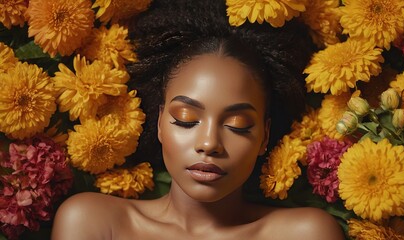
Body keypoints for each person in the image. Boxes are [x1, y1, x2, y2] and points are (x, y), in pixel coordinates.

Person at [52, 0, 345, 239]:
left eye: (237, 125)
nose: (209, 143)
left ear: (264, 137)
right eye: (186, 119)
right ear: (159, 123)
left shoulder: (305, 233)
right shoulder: (95, 223)